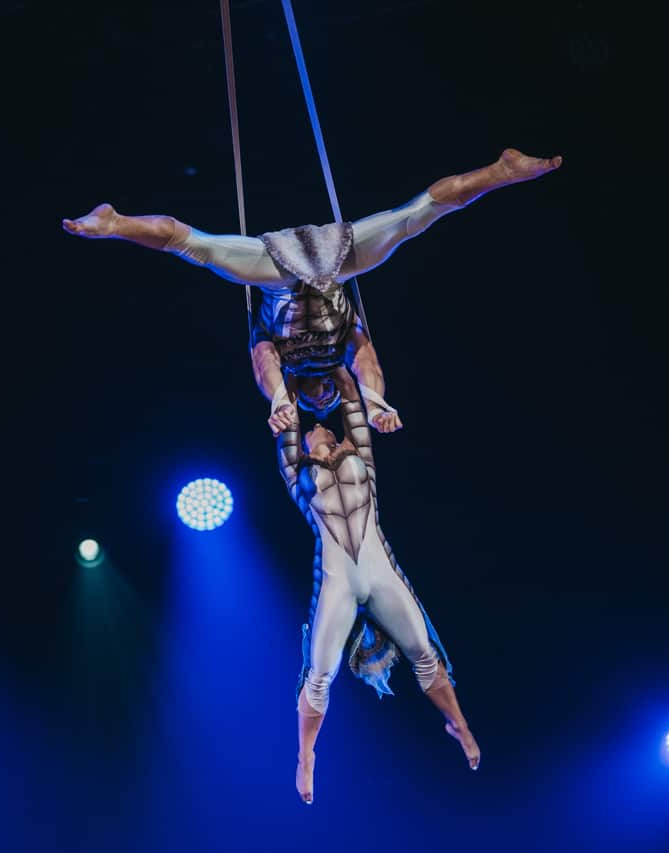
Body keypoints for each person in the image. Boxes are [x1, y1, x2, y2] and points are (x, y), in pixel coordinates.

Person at [62, 148, 562, 434]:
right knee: (414, 217)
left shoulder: (284, 364)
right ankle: (501, 171)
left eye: (313, 401)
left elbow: (262, 359)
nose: (321, 397)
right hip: (337, 263)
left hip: (277, 274)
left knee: (199, 246)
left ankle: (116, 223)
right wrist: (375, 402)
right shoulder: (343, 351)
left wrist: (279, 400)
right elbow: (368, 359)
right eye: (328, 399)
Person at [272, 365, 480, 804]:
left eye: (329, 425)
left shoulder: (360, 455)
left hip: (380, 571)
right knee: (319, 674)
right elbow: (286, 411)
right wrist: (294, 372)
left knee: (424, 653)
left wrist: (332, 362)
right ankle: (306, 756)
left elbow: (352, 393)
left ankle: (459, 726)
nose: (320, 425)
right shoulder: (296, 475)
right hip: (337, 582)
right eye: (311, 428)